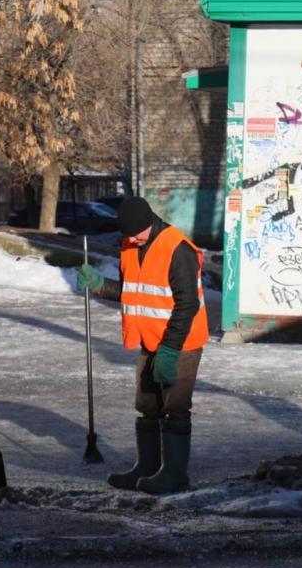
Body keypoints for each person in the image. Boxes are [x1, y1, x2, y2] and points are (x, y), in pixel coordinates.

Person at [77, 197, 208, 494]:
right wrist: (100, 285)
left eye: (137, 233)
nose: (133, 239)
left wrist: (170, 350)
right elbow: (134, 292)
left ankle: (174, 475)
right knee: (148, 405)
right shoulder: (130, 245)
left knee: (175, 407)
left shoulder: (178, 249)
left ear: (150, 221)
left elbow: (187, 305)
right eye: (128, 235)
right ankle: (147, 468)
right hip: (151, 341)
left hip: (181, 343)